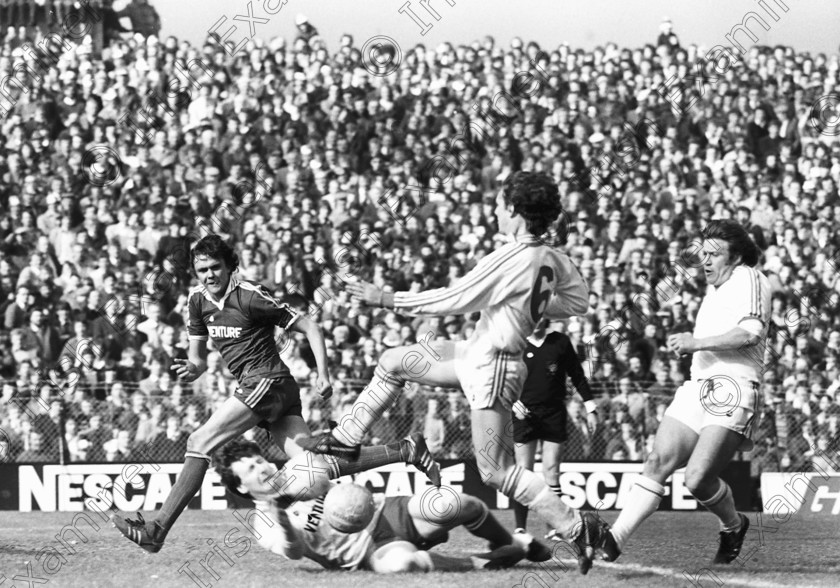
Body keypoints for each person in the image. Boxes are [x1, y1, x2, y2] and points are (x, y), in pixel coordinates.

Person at [305, 172, 609, 574]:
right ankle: (346, 439)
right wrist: (531, 308)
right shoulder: (552, 257)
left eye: (501, 205)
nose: (496, 211)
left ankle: (575, 525)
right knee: (393, 361)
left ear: (515, 211)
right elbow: (579, 301)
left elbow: (455, 297)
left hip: (495, 365)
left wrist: (387, 298)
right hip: (477, 355)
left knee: (495, 470)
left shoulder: (511, 257)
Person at [113, 235, 440, 553]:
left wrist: (323, 374)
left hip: (266, 383)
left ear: (229, 266)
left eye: (215, 267)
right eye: (203, 270)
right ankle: (405, 450)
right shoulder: (197, 302)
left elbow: (310, 325)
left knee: (199, 442)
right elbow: (198, 359)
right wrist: (193, 369)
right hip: (265, 389)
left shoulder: (251, 296)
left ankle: (156, 530)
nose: (210, 274)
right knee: (313, 466)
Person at [598, 219, 770, 564]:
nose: (705, 261)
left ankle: (733, 525)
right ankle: (613, 540)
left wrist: (696, 342)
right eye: (702, 254)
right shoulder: (714, 289)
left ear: (736, 257)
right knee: (656, 461)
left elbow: (750, 333)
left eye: (714, 254)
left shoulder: (750, 278)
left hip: (734, 386)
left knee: (697, 479)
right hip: (698, 386)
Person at [215, 439, 552, 573]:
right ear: (241, 486)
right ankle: (494, 558)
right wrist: (281, 517)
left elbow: (349, 459)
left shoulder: (300, 472)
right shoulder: (263, 524)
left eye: (260, 459)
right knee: (403, 564)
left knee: (454, 502)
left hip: (388, 512)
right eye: (251, 468)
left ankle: (503, 542)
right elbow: (295, 550)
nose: (262, 467)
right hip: (367, 554)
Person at [511, 319, 598, 535]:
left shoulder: (560, 342)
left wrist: (591, 407)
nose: (539, 320)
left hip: (553, 412)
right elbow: (502, 377)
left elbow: (577, 374)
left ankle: (555, 527)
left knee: (552, 470)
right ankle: (520, 528)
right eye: (535, 315)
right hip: (524, 413)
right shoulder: (516, 341)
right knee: (524, 471)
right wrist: (513, 403)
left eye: (543, 315)